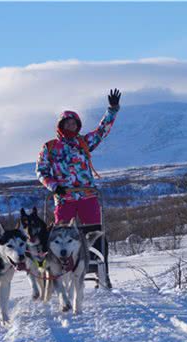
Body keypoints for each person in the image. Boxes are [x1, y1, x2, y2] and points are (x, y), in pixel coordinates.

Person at [35, 88, 121, 288]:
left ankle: (101, 272)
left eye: (74, 123)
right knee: (62, 237)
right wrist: (54, 186)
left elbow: (101, 131)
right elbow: (41, 171)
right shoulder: (50, 148)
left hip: (88, 196)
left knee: (95, 235)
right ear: (61, 125)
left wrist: (112, 110)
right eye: (67, 123)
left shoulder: (83, 142)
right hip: (65, 198)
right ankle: (62, 274)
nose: (71, 126)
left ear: (78, 125)